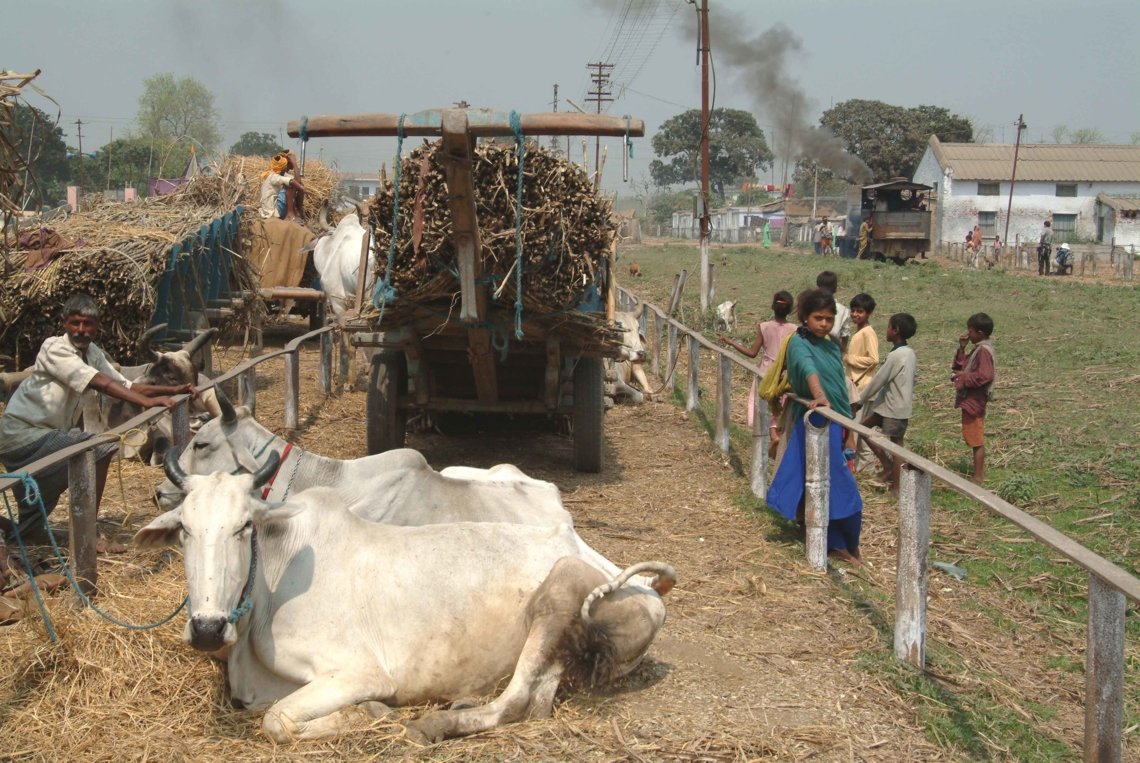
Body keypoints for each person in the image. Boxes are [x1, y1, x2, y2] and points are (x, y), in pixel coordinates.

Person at [0, 294, 194, 554]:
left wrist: (174, 389)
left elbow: (126, 384)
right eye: (75, 323)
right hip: (20, 434)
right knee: (96, 447)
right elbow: (100, 383)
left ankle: (28, 533)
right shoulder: (54, 348)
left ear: (97, 325)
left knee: (32, 525)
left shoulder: (92, 353)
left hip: (46, 436)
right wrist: (147, 402)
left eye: (87, 324)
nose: (81, 330)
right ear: (64, 323)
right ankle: (87, 533)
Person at [766, 289, 863, 565]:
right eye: (818, 318)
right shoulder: (797, 343)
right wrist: (819, 396)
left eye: (829, 319)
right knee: (829, 484)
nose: (824, 324)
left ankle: (847, 543)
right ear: (804, 317)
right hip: (816, 423)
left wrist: (851, 433)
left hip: (839, 421)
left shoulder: (832, 346)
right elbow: (808, 370)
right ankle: (834, 544)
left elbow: (841, 386)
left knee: (836, 483)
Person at [718, 290, 797, 450]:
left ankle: (772, 438)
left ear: (772, 307)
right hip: (784, 373)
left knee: (765, 405)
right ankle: (778, 439)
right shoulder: (795, 329)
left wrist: (731, 342)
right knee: (781, 406)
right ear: (790, 309)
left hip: (766, 371)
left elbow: (752, 353)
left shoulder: (764, 327)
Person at [852, 313, 918, 493]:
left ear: (895, 331)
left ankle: (897, 487)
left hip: (895, 408)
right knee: (863, 429)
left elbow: (879, 380)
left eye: (889, 327)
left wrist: (860, 401)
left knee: (897, 446)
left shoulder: (897, 356)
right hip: (887, 406)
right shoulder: (910, 353)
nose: (886, 330)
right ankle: (887, 465)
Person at [951, 312, 996, 485]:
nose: (968, 333)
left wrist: (963, 377)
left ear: (980, 333)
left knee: (976, 438)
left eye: (971, 330)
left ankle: (978, 476)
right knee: (972, 435)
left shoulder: (983, 351)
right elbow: (962, 365)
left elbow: (985, 375)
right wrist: (962, 348)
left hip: (975, 401)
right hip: (971, 400)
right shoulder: (977, 350)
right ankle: (978, 474)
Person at [259, 151, 306, 221]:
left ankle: (298, 210)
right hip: (273, 210)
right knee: (291, 186)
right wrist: (294, 164)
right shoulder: (275, 176)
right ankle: (291, 214)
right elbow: (295, 182)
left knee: (295, 186)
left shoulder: (273, 173)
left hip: (269, 208)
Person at [815, 271, 851, 353]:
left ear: (818, 287)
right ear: (835, 288)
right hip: (833, 352)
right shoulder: (843, 310)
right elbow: (845, 335)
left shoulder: (812, 306)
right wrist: (842, 353)